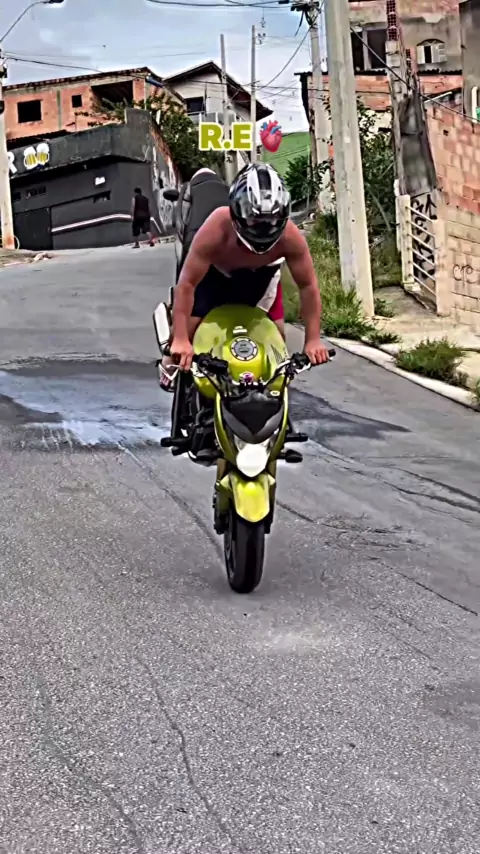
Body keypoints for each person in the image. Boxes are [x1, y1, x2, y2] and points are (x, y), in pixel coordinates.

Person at [170, 162, 329, 370]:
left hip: (262, 277)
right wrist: (180, 339)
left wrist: (313, 340)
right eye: (255, 221)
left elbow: (308, 286)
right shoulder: (216, 228)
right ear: (236, 213)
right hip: (213, 276)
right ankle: (170, 366)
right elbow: (187, 284)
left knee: (277, 346)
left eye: (270, 222)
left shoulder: (290, 237)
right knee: (185, 335)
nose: (262, 229)